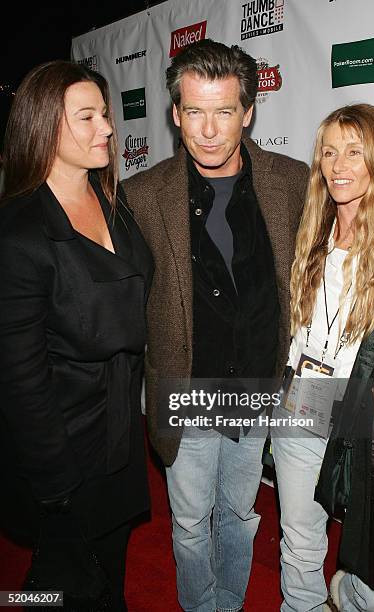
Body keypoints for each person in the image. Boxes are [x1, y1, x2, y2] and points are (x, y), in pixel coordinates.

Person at [122, 39, 309, 612]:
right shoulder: (143, 194)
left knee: (240, 509)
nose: (207, 130)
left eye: (224, 111)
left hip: (257, 385)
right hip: (187, 387)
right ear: (175, 114)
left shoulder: (291, 181)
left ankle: (228, 600)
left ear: (248, 112)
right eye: (194, 112)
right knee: (188, 518)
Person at [0, 60, 153, 611]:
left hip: (117, 434)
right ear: (44, 126)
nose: (107, 128)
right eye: (86, 117)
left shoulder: (117, 205)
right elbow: (20, 376)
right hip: (62, 451)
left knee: (108, 573)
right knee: (60, 587)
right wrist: (56, 483)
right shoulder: (20, 233)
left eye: (106, 115)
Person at [271, 103, 374, 612]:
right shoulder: (310, 230)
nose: (338, 165)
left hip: (365, 413)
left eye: (354, 151)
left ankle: (346, 596)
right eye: (329, 152)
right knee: (299, 543)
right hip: (303, 398)